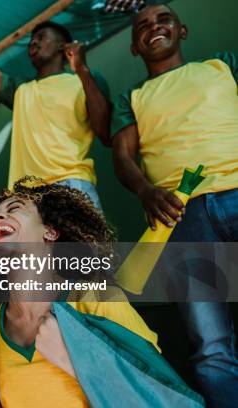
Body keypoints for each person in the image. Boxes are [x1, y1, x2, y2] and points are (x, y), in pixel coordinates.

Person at [0, 176, 203, 407]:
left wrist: (74, 356)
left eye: (14, 209)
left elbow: (158, 392)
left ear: (50, 232)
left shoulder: (98, 298)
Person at [111, 5, 238, 407]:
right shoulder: (131, 97)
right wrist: (146, 192)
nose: (154, 28)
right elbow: (123, 157)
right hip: (181, 217)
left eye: (162, 20)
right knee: (211, 343)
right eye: (143, 26)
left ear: (181, 29)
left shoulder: (223, 66)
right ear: (134, 47)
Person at [0, 0, 111, 209]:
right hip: (25, 198)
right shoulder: (20, 89)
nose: (33, 43)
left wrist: (83, 71)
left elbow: (106, 133)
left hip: (71, 186)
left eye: (41, 38)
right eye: (31, 41)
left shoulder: (85, 80)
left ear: (63, 47)